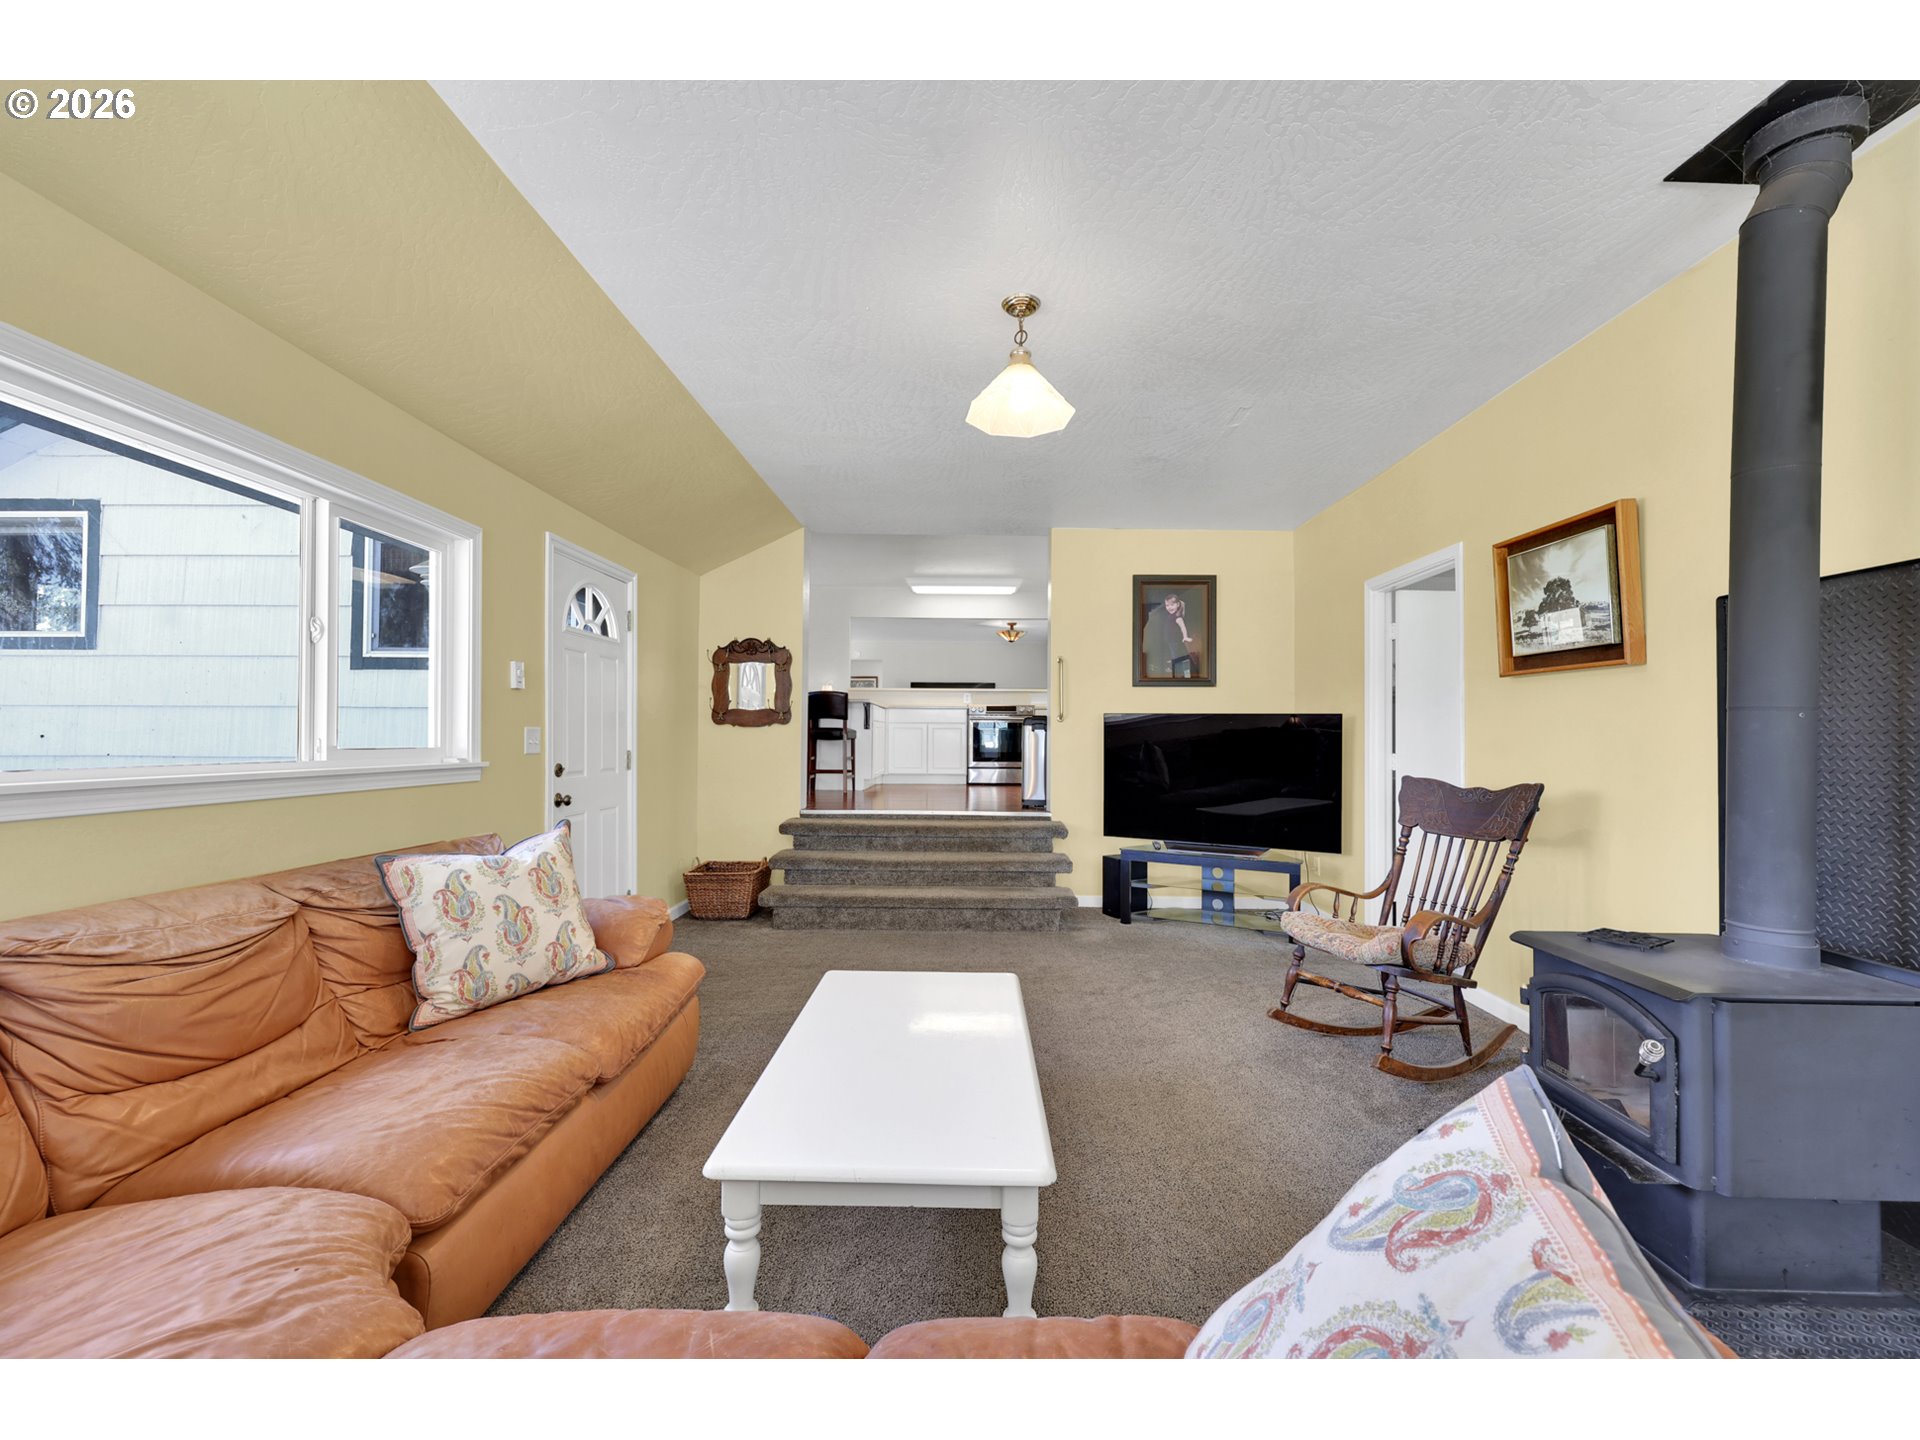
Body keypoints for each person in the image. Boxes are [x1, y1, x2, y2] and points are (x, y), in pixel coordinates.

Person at [1142, 590, 1201, 679]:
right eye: (1167, 605)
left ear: (1177, 604)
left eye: (1172, 605)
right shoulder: (1169, 616)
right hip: (1170, 641)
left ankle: (1175, 667)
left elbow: (1183, 627)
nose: (1169, 607)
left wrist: (1185, 637)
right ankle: (1173, 664)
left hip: (1174, 641)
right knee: (1172, 653)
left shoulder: (1178, 617)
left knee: (1175, 655)